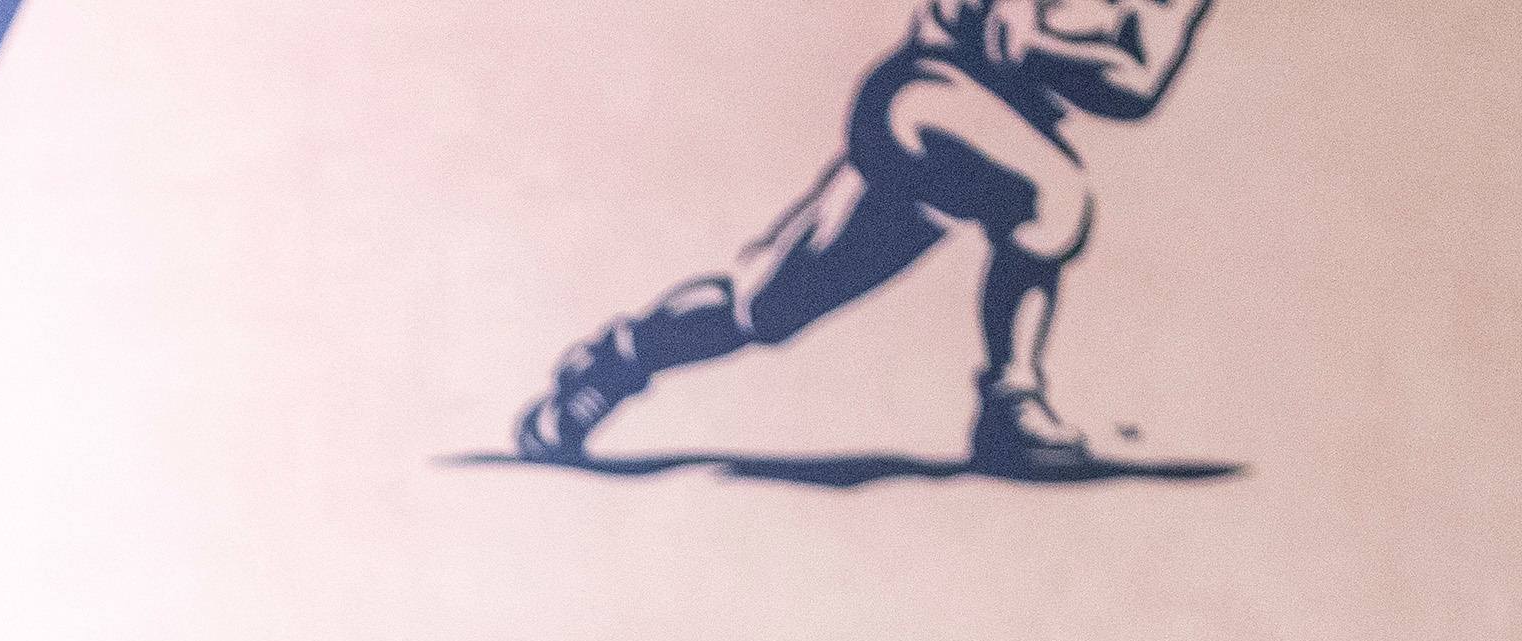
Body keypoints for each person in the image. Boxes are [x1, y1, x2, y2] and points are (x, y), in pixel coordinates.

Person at [513, 0, 1217, 481]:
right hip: (922, 96)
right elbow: (1010, 43)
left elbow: (1136, 86)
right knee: (1050, 196)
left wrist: (1039, 48)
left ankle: (617, 361)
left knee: (764, 306)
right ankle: (1010, 403)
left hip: (986, 151)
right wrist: (1065, 54)